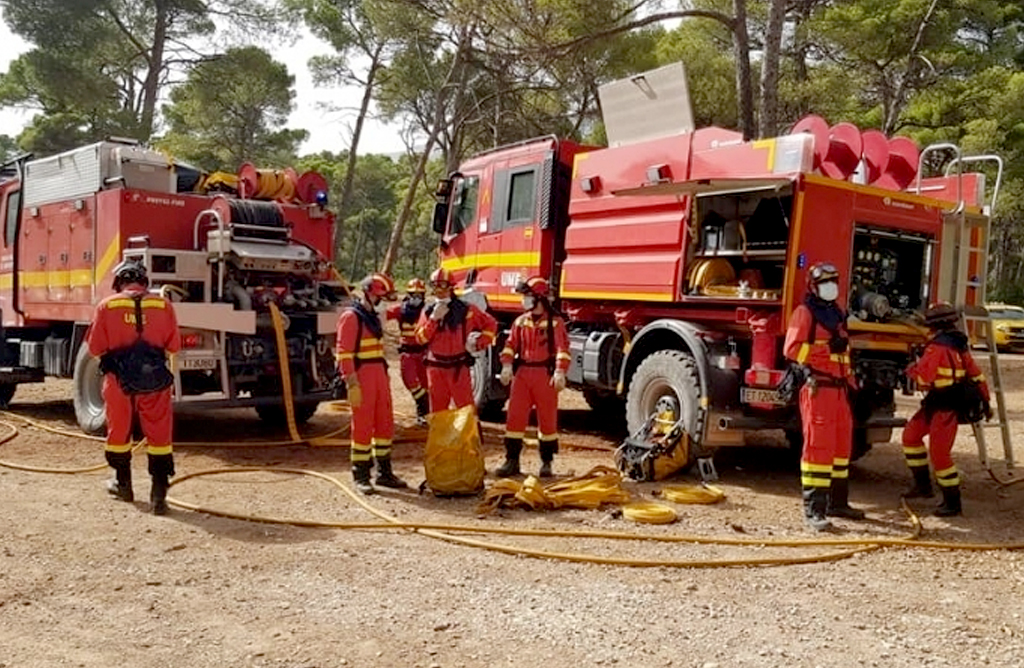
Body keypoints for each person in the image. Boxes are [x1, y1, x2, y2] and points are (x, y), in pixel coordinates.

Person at [86, 259, 180, 515]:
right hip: (156, 381)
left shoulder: (107, 306)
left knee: (119, 432)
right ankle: (159, 495)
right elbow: (174, 347)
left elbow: (95, 348)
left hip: (118, 381)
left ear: (119, 283)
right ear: (144, 282)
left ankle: (123, 484)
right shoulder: (164, 305)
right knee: (159, 435)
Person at [783, 261, 864, 531]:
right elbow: (792, 349)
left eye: (834, 281)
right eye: (825, 282)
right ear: (813, 286)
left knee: (842, 448)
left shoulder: (837, 314)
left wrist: (852, 382)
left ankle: (838, 503)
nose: (830, 287)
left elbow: (844, 353)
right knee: (818, 449)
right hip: (818, 388)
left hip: (840, 390)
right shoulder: (805, 313)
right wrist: (826, 350)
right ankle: (814, 511)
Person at [902, 302, 991, 516]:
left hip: (945, 406)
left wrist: (910, 369)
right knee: (911, 437)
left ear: (935, 325)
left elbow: (924, 378)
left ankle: (952, 502)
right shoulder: (959, 345)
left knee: (940, 455)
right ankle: (922, 486)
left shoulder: (938, 348)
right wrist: (985, 401)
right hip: (936, 402)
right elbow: (977, 375)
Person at [336, 272, 407, 495]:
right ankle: (361, 475)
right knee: (363, 427)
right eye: (381, 299)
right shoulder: (351, 317)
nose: (383, 304)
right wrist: (351, 382)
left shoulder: (372, 317)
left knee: (385, 423)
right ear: (369, 295)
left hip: (379, 374)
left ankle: (384, 473)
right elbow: (343, 353)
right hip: (363, 376)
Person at [496, 277, 571, 478]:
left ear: (539, 298)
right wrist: (506, 365)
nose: (524, 301)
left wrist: (560, 371)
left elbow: (562, 349)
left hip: (544, 375)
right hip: (522, 375)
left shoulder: (555, 323)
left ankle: (546, 462)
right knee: (515, 417)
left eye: (528, 296)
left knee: (547, 419)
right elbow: (510, 345)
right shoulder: (520, 322)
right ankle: (511, 461)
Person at [414, 267, 497, 412]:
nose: (438, 290)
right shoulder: (428, 311)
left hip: (459, 367)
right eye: (435, 285)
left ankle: (469, 435)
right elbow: (420, 339)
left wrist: (479, 343)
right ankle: (440, 435)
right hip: (436, 368)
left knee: (466, 411)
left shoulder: (466, 310)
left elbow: (490, 324)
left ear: (451, 287)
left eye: (442, 285)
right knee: (438, 412)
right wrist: (433, 320)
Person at [386, 278, 430, 425]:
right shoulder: (400, 310)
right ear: (408, 294)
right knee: (410, 381)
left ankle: (424, 414)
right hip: (408, 353)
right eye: (413, 294)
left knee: (426, 384)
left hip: (424, 353)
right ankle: (423, 403)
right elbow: (382, 314)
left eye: (419, 295)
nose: (416, 298)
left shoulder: (428, 311)